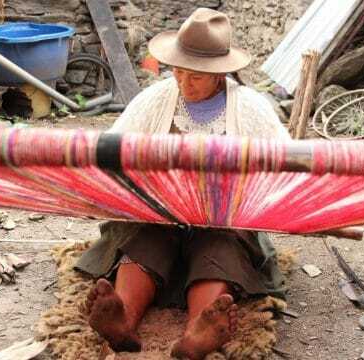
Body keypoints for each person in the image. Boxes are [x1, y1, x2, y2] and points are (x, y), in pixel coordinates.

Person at [75, 8, 290, 359]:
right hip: (159, 212)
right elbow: (113, 151)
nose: (183, 83)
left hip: (224, 219)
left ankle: (199, 332)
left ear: (220, 75)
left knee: (220, 249)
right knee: (145, 239)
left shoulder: (250, 108)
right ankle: (122, 318)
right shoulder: (156, 100)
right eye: (178, 71)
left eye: (196, 77)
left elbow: (284, 166)